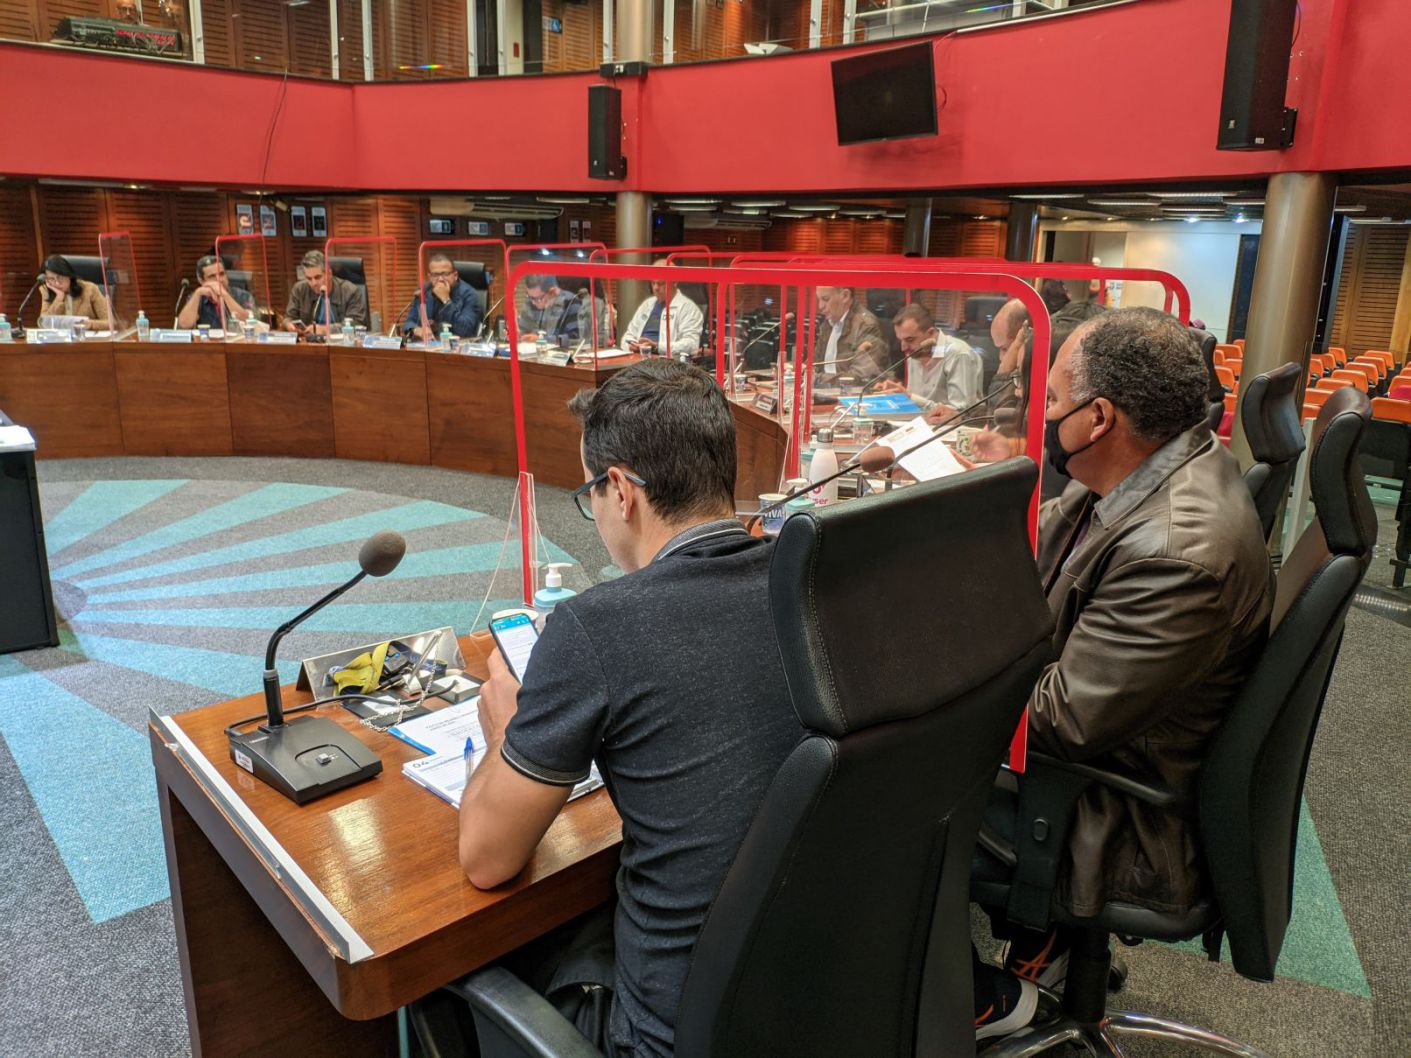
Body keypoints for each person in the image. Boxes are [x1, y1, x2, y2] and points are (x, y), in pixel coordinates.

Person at [456, 359, 803, 1058]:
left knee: (450, 983)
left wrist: (503, 732)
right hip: (822, 996)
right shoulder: (809, 581)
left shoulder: (597, 626)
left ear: (619, 490)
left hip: (668, 1036)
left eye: (589, 493)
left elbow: (487, 860)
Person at [970, 307, 1274, 1042]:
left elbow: (1055, 722)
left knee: (871, 794)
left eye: (1051, 400)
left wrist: (914, 665)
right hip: (1111, 757)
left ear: (1099, 418)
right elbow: (1038, 548)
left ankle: (969, 995)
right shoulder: (1144, 471)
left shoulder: (1178, 553)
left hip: (1115, 816)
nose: (1041, 414)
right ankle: (1041, 946)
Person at [886, 301, 983, 423]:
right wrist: (898, 395)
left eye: (910, 340)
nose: (903, 348)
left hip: (954, 429)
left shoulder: (958, 354)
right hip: (921, 425)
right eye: (901, 340)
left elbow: (961, 412)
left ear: (931, 333)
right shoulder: (915, 352)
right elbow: (916, 405)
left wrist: (911, 397)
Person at [621, 261, 703, 359]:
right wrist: (631, 346)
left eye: (661, 283)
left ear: (675, 282)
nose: (656, 288)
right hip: (637, 358)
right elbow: (628, 336)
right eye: (653, 283)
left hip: (666, 363)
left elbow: (691, 345)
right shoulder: (647, 304)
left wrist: (656, 347)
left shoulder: (688, 308)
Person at [813, 286, 887, 383]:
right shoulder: (828, 322)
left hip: (851, 391)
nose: (820, 306)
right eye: (819, 299)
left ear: (845, 296)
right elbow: (815, 362)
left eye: (825, 299)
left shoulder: (866, 325)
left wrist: (818, 379)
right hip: (825, 389)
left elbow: (860, 377)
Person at [283, 250, 367, 333]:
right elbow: (288, 318)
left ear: (329, 274)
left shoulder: (350, 291)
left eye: (317, 277)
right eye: (309, 278)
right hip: (310, 340)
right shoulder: (299, 289)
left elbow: (356, 323)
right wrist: (289, 325)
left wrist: (325, 330)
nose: (314, 283)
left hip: (340, 341)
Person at [401, 254, 482, 341]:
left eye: (445, 274)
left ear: (455, 275)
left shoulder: (469, 295)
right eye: (435, 275)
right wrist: (417, 331)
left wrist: (446, 300)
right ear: (429, 276)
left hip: (457, 346)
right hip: (429, 345)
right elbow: (407, 326)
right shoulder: (423, 292)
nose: (440, 279)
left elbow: (466, 331)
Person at [176, 255, 254, 330]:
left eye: (221, 274)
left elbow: (249, 322)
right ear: (201, 281)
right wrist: (197, 293)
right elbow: (184, 325)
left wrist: (225, 295)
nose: (219, 280)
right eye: (212, 276)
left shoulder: (243, 295)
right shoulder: (198, 297)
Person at [37, 254, 110, 326]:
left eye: (60, 277)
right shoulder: (46, 291)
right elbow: (44, 323)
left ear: (68, 274)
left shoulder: (90, 289)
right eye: (51, 279)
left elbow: (110, 322)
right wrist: (59, 298)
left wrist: (90, 324)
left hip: (86, 333)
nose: (57, 283)